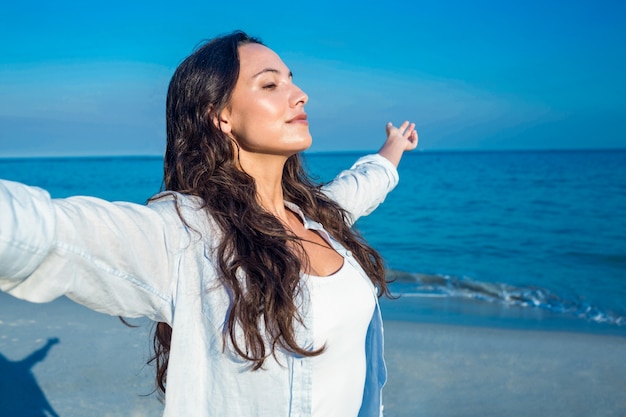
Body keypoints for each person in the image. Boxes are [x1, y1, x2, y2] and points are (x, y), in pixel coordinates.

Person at [0, 30, 418, 416]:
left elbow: (360, 186)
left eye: (292, 80)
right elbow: (49, 232)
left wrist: (392, 149)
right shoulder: (187, 235)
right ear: (220, 116)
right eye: (271, 84)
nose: (301, 95)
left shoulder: (315, 215)